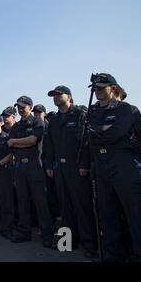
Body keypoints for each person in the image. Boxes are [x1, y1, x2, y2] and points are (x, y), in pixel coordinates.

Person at [88, 73, 141, 261]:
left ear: (114, 88)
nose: (97, 91)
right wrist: (100, 132)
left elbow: (117, 133)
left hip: (123, 164)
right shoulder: (92, 112)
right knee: (107, 213)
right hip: (100, 165)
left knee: (134, 212)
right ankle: (113, 254)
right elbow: (83, 136)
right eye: (95, 88)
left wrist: (97, 132)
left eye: (102, 87)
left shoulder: (127, 109)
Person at [44, 85, 98, 259]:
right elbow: (49, 145)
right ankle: (67, 242)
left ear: (69, 96)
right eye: (54, 95)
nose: (56, 97)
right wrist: (49, 165)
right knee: (65, 208)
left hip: (77, 168)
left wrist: (84, 164)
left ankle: (89, 244)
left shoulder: (80, 114)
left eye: (59, 95)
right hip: (60, 168)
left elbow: (85, 142)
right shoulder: (54, 120)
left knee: (82, 207)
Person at [8, 96, 53, 248]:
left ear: (30, 107)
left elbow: (33, 140)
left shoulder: (37, 121)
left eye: (23, 106)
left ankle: (47, 234)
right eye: (18, 107)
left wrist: (16, 142)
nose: (20, 109)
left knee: (40, 202)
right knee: (23, 201)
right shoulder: (16, 126)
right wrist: (19, 143)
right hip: (20, 167)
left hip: (34, 166)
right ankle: (24, 232)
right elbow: (10, 144)